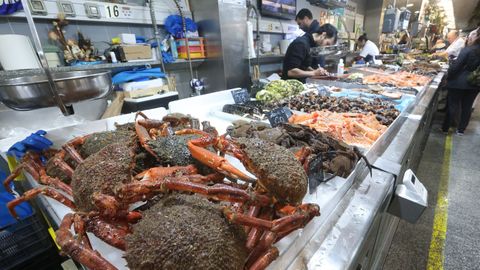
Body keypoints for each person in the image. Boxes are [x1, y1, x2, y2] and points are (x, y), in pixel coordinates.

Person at [441, 28, 480, 135]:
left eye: (472, 35)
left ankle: (445, 128)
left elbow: (456, 67)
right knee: (467, 107)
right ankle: (461, 130)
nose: (469, 37)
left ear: (477, 37)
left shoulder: (468, 50)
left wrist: (448, 78)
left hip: (458, 82)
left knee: (453, 105)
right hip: (475, 84)